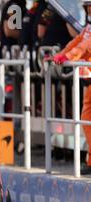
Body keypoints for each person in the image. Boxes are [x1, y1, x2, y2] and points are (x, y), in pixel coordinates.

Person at [53, 1, 91, 174]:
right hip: (88, 78)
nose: (89, 11)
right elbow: (78, 41)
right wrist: (61, 55)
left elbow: (85, 46)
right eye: (88, 8)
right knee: (86, 118)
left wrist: (67, 56)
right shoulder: (88, 27)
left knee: (86, 117)